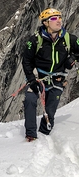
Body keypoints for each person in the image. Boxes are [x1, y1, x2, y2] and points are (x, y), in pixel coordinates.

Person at [22, 8, 79, 142]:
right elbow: (26, 61)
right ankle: (31, 135)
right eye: (54, 18)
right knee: (30, 100)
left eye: (59, 17)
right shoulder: (35, 40)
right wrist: (31, 79)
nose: (59, 20)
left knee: (50, 110)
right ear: (46, 23)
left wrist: (73, 58)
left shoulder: (69, 39)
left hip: (57, 80)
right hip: (38, 79)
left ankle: (44, 133)